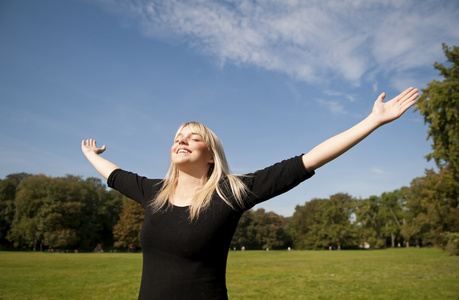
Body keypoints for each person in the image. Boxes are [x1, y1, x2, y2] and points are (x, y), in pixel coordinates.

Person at [82, 87, 418, 299]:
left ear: (211, 154)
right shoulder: (152, 192)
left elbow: (308, 160)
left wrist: (372, 122)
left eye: (192, 137)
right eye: (177, 137)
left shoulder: (232, 193)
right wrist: (91, 155)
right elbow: (115, 174)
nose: (181, 140)